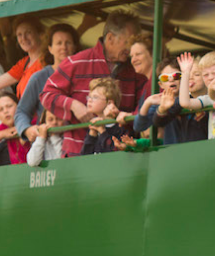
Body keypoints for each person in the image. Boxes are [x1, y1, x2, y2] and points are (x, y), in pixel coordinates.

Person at [39, 11, 148, 156]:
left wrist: (124, 116)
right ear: (110, 38)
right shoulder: (75, 62)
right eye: (128, 42)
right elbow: (47, 94)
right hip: (77, 155)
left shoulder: (136, 70)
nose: (132, 48)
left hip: (121, 156)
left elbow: (144, 109)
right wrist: (74, 105)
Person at [15, 22, 79, 142]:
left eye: (68, 43)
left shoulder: (83, 74)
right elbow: (21, 111)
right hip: (50, 147)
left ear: (75, 47)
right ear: (50, 48)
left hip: (81, 143)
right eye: (59, 43)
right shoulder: (39, 77)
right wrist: (26, 130)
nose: (64, 47)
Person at [176, 50, 215, 139]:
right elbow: (185, 103)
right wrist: (185, 73)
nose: (210, 77)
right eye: (205, 75)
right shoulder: (209, 98)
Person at [84, 78, 135, 154]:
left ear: (109, 102)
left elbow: (114, 152)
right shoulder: (95, 125)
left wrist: (102, 131)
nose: (89, 100)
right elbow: (84, 156)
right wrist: (92, 135)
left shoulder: (120, 127)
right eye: (89, 97)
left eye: (95, 97)